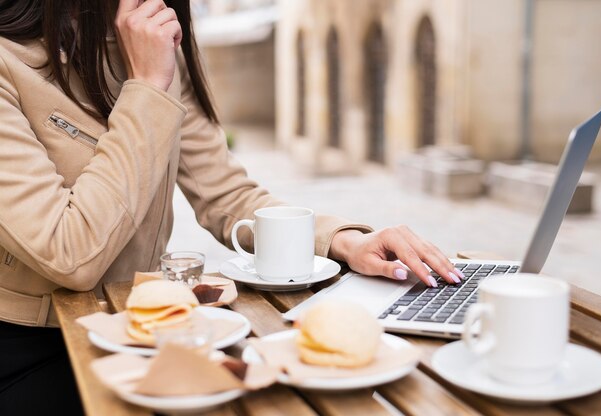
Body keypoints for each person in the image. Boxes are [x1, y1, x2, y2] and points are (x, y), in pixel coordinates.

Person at [0, 0, 464, 414]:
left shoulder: (151, 43)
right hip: (35, 345)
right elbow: (69, 253)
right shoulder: (15, 60)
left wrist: (344, 240)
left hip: (146, 329)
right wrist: (147, 86)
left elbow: (226, 194)